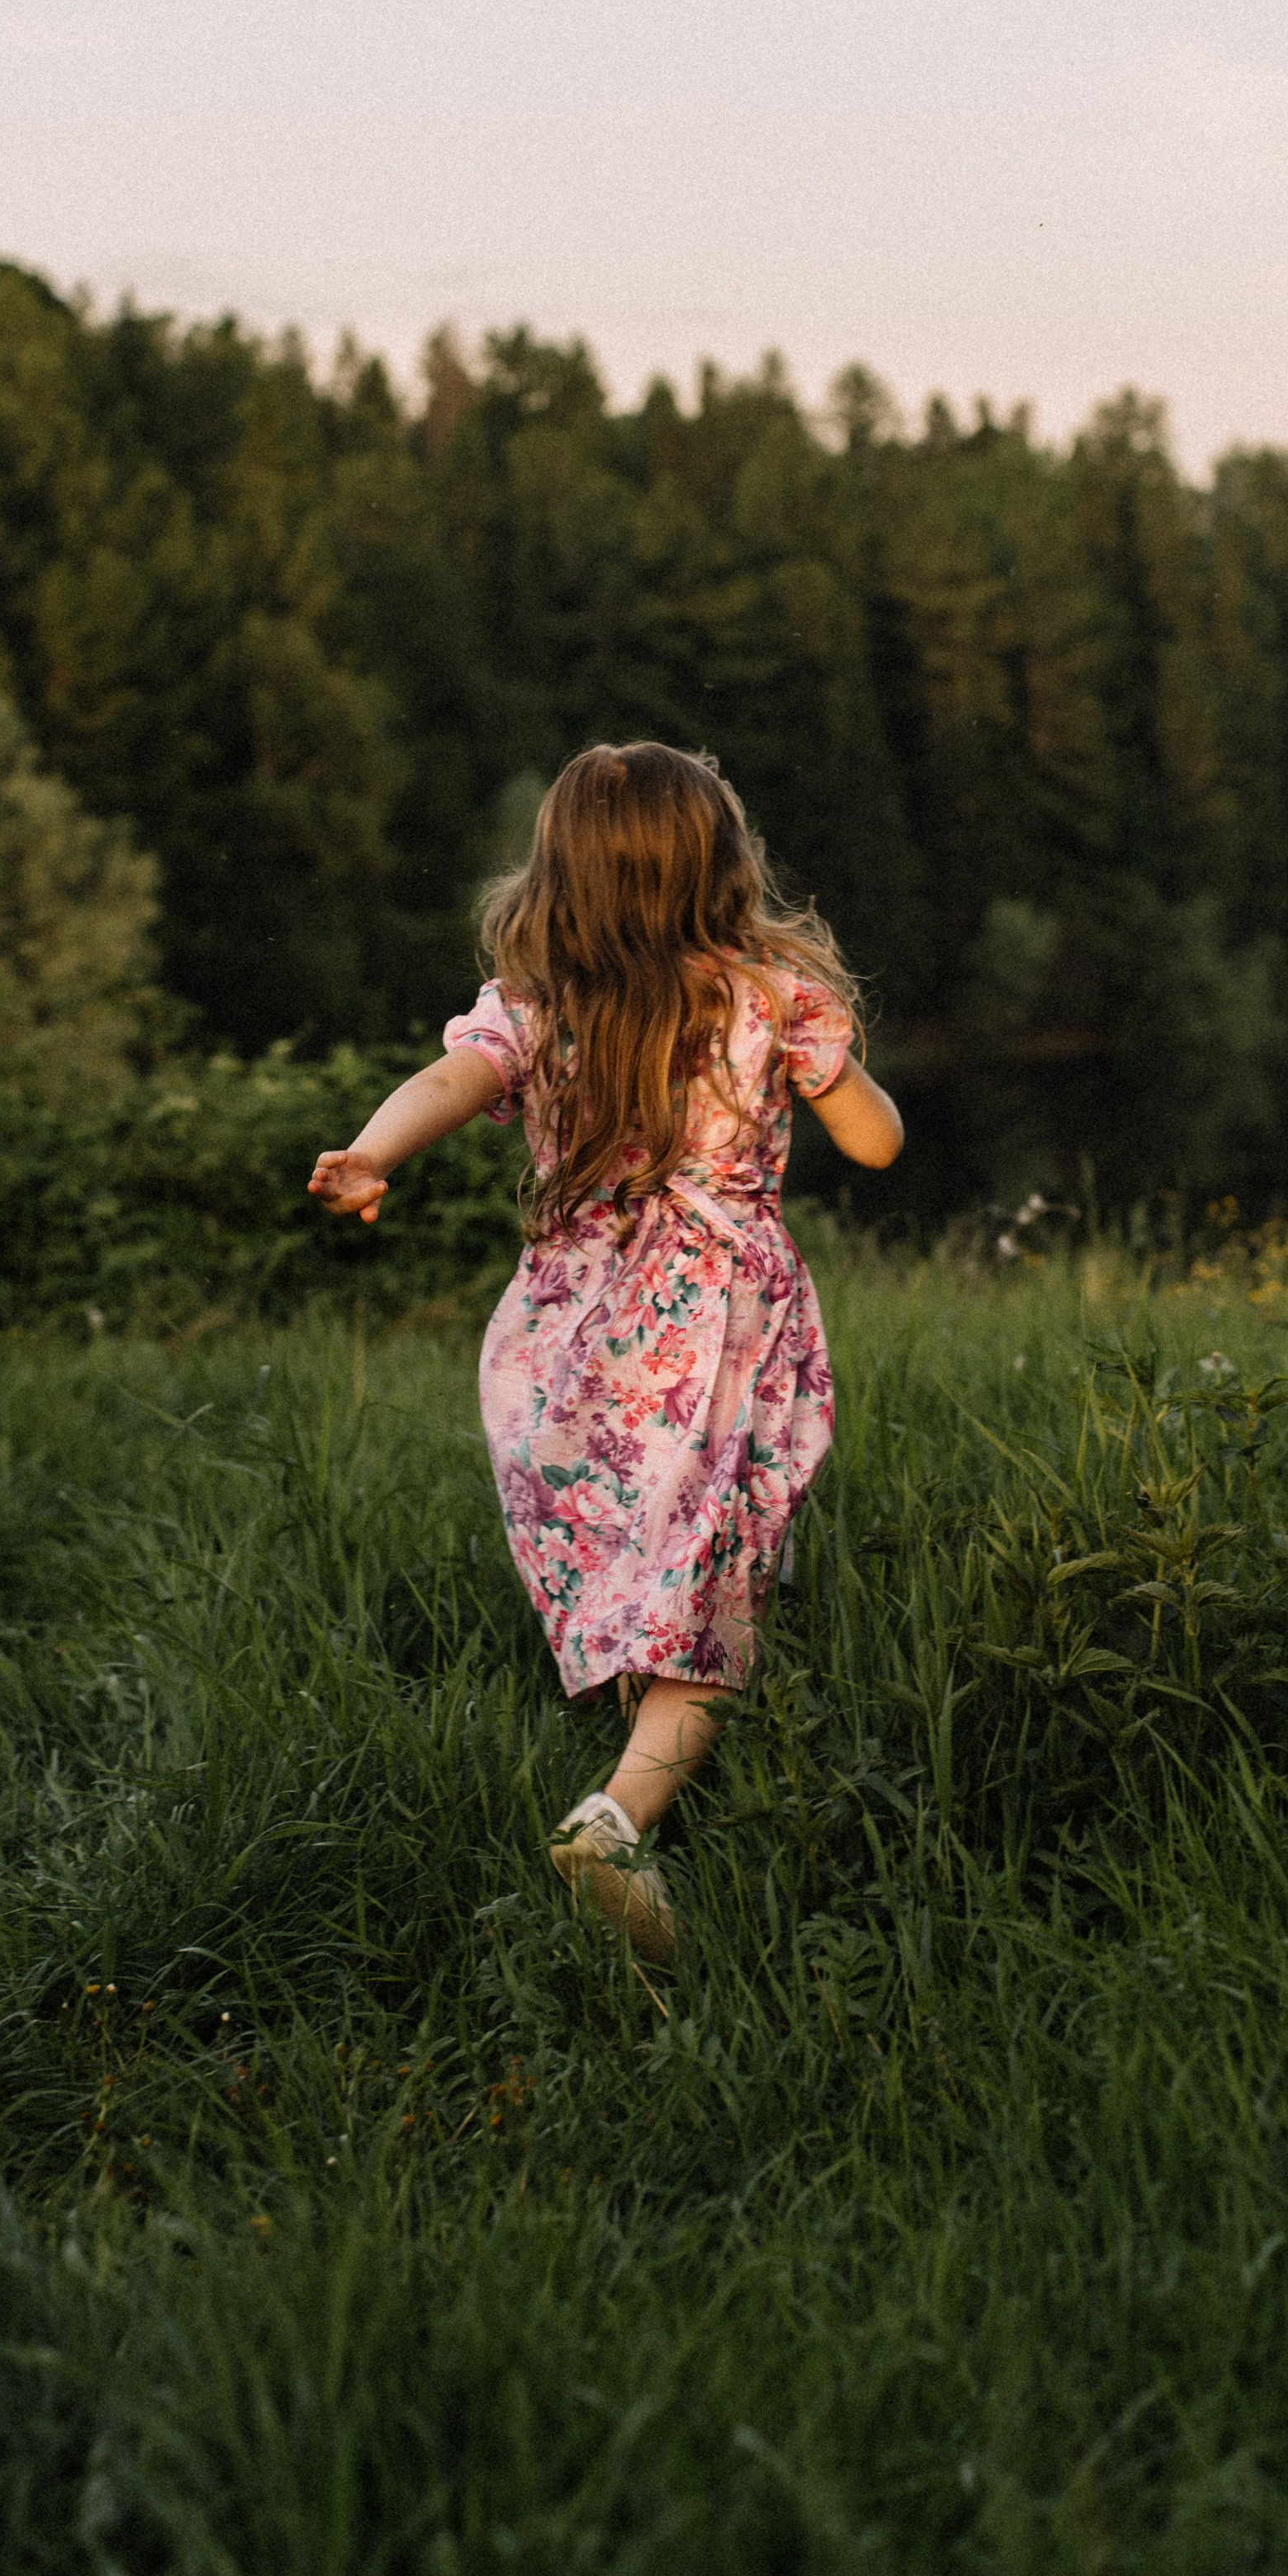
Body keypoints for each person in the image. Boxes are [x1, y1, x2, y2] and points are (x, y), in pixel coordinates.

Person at [307, 741, 903, 1966]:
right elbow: (880, 1146)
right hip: (716, 1327)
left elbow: (453, 1077)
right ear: (721, 866)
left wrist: (370, 1155)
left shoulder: (537, 1008)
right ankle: (619, 1821)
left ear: (559, 875)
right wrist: (833, 1066)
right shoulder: (767, 995)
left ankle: (643, 1767)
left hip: (570, 1331)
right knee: (715, 1588)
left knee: (649, 1559)